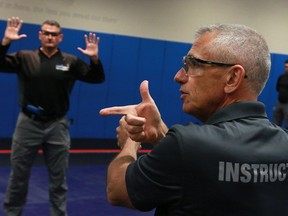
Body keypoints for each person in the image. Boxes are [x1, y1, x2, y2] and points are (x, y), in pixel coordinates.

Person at [99, 24, 288, 216]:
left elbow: (117, 190)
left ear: (232, 78)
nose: (179, 76)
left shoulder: (187, 143)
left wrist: (130, 141)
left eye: (193, 64)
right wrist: (160, 135)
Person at [0, 17, 105, 216]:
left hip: (57, 125)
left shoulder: (70, 61)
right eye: (46, 33)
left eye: (54, 34)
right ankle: (12, 213)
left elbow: (97, 78)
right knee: (18, 177)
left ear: (60, 38)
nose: (49, 37)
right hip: (27, 124)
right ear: (40, 35)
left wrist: (94, 60)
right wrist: (5, 43)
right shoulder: (24, 57)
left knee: (58, 180)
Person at [273, 59, 288, 128]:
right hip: (279, 103)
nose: (286, 69)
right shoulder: (281, 77)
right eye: (285, 67)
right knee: (276, 123)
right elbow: (278, 88)